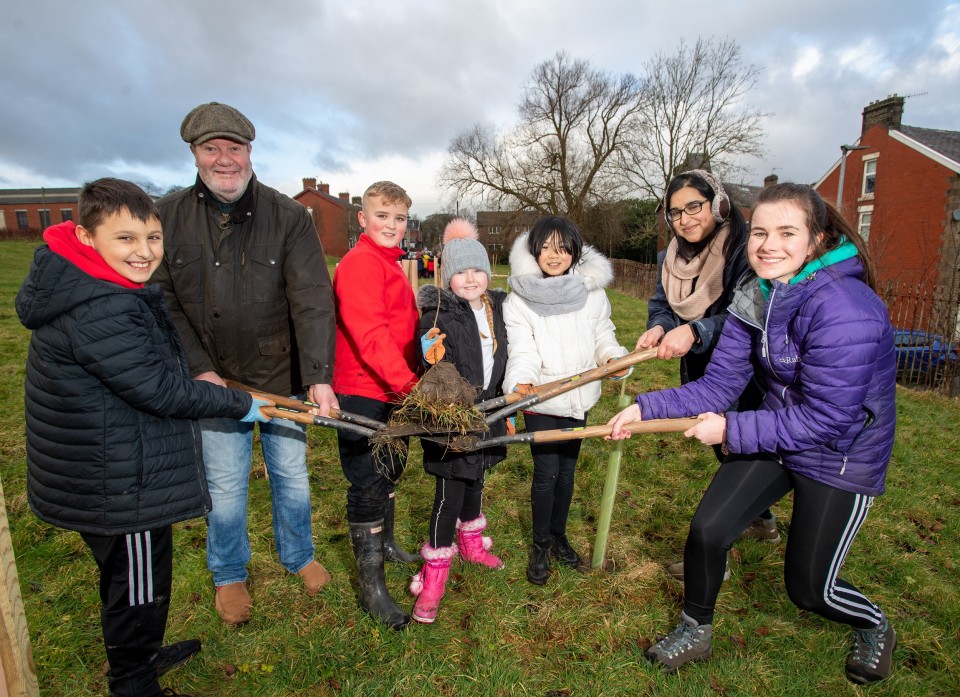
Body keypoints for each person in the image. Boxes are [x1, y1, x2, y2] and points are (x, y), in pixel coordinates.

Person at [608, 183, 897, 684]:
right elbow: (719, 383)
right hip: (777, 432)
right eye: (760, 231)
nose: (767, 244)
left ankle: (874, 624)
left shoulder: (847, 309)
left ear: (816, 240)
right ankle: (695, 628)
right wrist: (644, 408)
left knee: (809, 589)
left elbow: (827, 417)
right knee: (708, 530)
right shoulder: (757, 293)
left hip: (840, 453)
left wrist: (731, 429)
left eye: (787, 232)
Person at [16, 178, 272, 697]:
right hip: (115, 483)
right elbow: (158, 390)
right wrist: (240, 404)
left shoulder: (94, 285)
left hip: (108, 462)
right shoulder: (100, 306)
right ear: (87, 237)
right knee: (137, 587)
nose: (144, 252)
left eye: (152, 238)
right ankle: (133, 680)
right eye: (126, 238)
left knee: (137, 579)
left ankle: (143, 655)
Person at [152, 102, 337, 626]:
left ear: (250, 152)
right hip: (215, 382)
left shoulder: (289, 216)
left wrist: (319, 376)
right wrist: (198, 370)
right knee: (226, 484)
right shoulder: (167, 217)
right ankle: (229, 571)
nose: (224, 159)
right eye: (212, 148)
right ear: (194, 154)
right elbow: (161, 298)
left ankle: (298, 555)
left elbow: (312, 297)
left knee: (292, 476)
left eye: (234, 148)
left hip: (281, 377)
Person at [639, 170, 774, 583]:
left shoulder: (743, 250)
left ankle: (718, 551)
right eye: (675, 212)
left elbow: (747, 314)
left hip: (746, 372)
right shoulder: (672, 258)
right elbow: (662, 302)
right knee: (730, 451)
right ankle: (764, 520)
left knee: (739, 451)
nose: (685, 218)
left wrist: (697, 330)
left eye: (693, 206)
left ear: (717, 203)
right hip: (703, 372)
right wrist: (661, 325)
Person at [503, 215, 630, 585]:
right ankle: (540, 545)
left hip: (579, 398)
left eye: (561, 247)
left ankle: (559, 536)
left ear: (574, 250)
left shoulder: (592, 293)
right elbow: (523, 349)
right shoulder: (520, 300)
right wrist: (522, 381)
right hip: (542, 399)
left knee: (568, 472)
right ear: (533, 252)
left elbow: (602, 332)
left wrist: (611, 357)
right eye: (545, 248)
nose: (553, 255)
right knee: (546, 474)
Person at [410, 219, 509, 624]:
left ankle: (471, 544)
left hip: (490, 410)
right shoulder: (437, 312)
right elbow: (428, 364)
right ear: (447, 276)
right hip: (452, 417)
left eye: (476, 270)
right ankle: (434, 575)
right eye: (460, 272)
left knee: (478, 477)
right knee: (449, 492)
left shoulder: (497, 308)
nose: (469, 279)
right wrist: (428, 356)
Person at [332, 181, 421, 629]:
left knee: (389, 468)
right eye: (382, 216)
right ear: (363, 219)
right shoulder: (360, 264)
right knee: (367, 480)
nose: (392, 225)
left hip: (393, 389)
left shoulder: (389, 263)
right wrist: (410, 386)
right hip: (364, 389)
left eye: (399, 218)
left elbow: (400, 328)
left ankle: (385, 543)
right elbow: (370, 335)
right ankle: (372, 588)